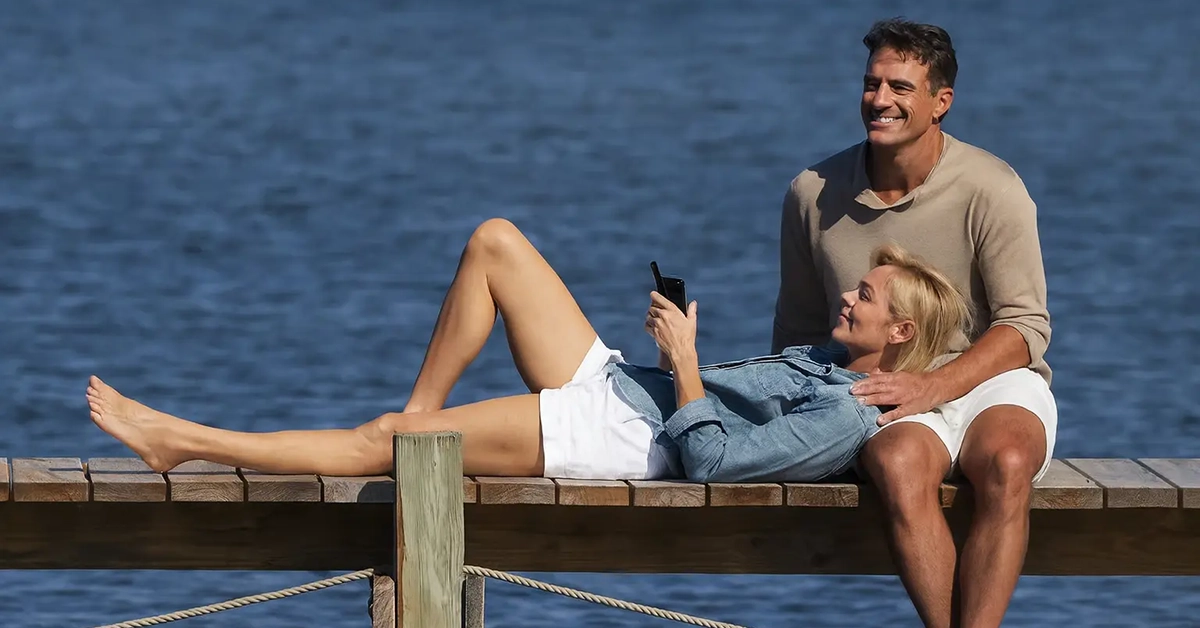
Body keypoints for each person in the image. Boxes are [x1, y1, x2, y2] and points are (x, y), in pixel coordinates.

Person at [88, 218, 969, 485]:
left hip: (625, 439)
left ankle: (183, 440)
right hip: (630, 388)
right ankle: (427, 419)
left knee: (380, 439)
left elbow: (712, 466)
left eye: (868, 297)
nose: (848, 294)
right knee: (496, 243)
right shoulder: (822, 361)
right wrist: (670, 359)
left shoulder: (845, 416)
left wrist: (690, 364)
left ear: (899, 335)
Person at [772, 18, 1057, 628]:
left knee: (1007, 463)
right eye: (872, 84)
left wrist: (936, 385)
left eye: (900, 87)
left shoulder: (992, 187)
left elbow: (1025, 327)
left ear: (940, 103)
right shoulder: (811, 193)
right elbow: (796, 334)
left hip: (988, 379)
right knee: (901, 468)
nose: (880, 101)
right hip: (877, 391)